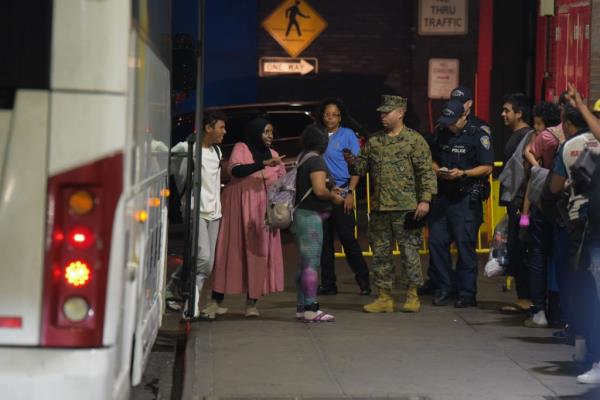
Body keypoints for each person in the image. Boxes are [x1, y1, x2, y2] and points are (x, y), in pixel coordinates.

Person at [345, 95, 437, 313]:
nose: (382, 116)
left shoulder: (415, 140)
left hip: (407, 208)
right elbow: (361, 169)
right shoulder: (375, 141)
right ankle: (384, 297)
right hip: (380, 209)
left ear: (400, 113)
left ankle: (412, 295)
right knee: (380, 254)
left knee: (409, 253)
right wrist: (352, 162)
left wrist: (425, 200)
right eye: (381, 113)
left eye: (387, 112)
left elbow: (426, 172)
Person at [203, 118, 287, 319]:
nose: (270, 136)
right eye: (266, 131)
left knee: (257, 255)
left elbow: (282, 182)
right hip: (238, 207)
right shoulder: (242, 148)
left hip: (261, 212)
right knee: (229, 251)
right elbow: (235, 170)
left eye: (271, 132)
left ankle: (252, 303)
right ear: (256, 132)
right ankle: (216, 300)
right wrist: (263, 164)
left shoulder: (275, 155)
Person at [421, 84, 491, 296]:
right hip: (443, 196)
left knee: (465, 245)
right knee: (436, 241)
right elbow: (431, 158)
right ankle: (444, 286)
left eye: (453, 122)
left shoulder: (479, 132)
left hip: (466, 197)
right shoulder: (442, 131)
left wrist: (463, 173)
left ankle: (466, 293)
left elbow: (487, 167)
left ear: (464, 116)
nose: (449, 126)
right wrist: (437, 170)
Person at [549, 103, 600, 366]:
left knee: (581, 286)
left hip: (580, 222)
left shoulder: (572, 147)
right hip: (590, 224)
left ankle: (581, 344)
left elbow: (556, 186)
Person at [315, 97, 371, 296]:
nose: (330, 117)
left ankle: (364, 281)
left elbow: (356, 166)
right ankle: (329, 284)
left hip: (341, 192)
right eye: (327, 114)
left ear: (340, 118)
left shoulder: (347, 135)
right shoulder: (317, 135)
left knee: (348, 238)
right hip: (322, 194)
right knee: (324, 242)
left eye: (335, 115)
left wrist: (350, 193)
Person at [291, 124, 344, 322]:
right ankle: (312, 308)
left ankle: (302, 306)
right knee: (312, 264)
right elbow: (320, 190)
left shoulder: (303, 157)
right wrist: (334, 197)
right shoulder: (317, 161)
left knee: (304, 263)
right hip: (310, 218)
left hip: (301, 216)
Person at [183, 111, 227, 319]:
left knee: (206, 263)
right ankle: (191, 305)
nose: (224, 132)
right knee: (203, 258)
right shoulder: (189, 148)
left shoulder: (217, 151)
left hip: (214, 213)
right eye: (221, 127)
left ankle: (174, 287)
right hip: (197, 210)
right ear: (208, 128)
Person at [521, 101, 562, 328]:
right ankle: (559, 311)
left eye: (537, 123)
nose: (535, 128)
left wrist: (535, 164)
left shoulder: (546, 137)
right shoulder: (579, 138)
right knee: (559, 258)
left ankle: (538, 310)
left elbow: (532, 185)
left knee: (538, 257)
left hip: (543, 206)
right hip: (566, 208)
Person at [498, 93, 535, 313]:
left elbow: (526, 173)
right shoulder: (517, 135)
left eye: (507, 110)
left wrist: (523, 207)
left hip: (521, 202)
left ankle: (526, 297)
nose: (503, 114)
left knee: (521, 248)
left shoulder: (527, 136)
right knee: (515, 247)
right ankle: (524, 296)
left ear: (519, 113)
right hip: (515, 201)